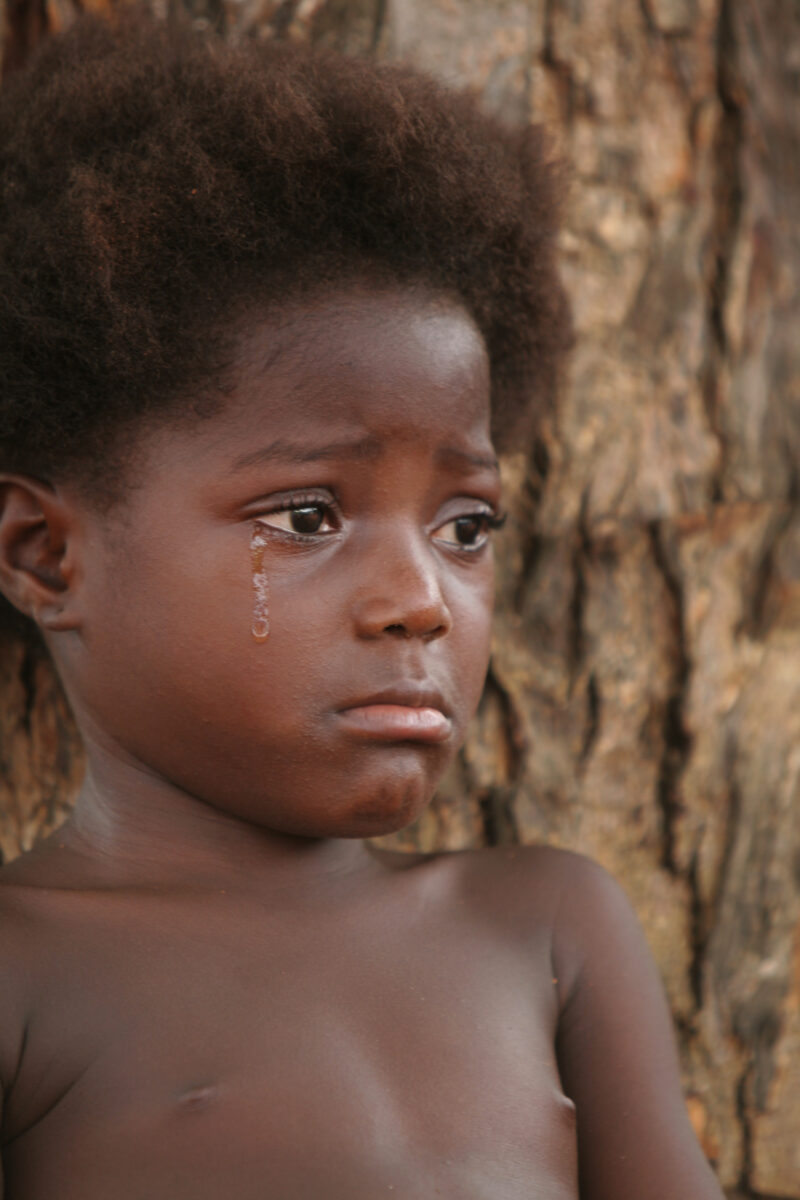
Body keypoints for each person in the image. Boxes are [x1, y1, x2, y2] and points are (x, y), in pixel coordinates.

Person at [0, 11, 724, 1198]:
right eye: (303, 519)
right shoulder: (25, 974)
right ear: (46, 557)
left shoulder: (541, 931)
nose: (419, 603)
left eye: (465, 527)